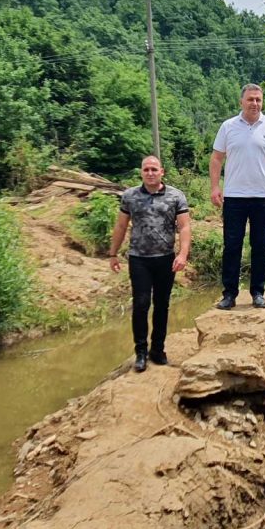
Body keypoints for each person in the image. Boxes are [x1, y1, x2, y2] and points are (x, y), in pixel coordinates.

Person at [209, 83, 265, 310]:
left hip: (263, 197)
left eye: (258, 100)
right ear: (241, 102)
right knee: (232, 245)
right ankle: (229, 294)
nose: (255, 103)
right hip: (234, 197)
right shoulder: (228, 127)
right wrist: (215, 187)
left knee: (260, 246)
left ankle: (258, 292)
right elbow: (216, 159)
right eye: (250, 99)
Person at [108, 156, 191, 372]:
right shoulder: (130, 196)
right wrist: (113, 253)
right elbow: (121, 225)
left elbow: (184, 227)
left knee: (162, 305)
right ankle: (141, 352)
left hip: (165, 259)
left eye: (154, 169)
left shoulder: (175, 196)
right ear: (141, 172)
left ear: (162, 171)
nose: (150, 173)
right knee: (141, 304)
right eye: (146, 169)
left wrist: (182, 254)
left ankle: (158, 349)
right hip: (139, 259)